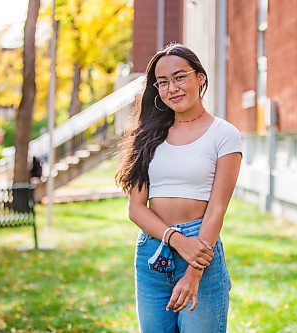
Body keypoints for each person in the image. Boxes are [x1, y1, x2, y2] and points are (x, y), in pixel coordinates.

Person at [115, 43, 242, 332]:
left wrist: (194, 273)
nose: (172, 87)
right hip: (153, 252)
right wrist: (175, 239)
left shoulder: (224, 135)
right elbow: (136, 208)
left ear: (200, 77)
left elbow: (217, 209)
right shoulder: (148, 135)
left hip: (200, 251)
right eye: (163, 82)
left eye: (179, 77)